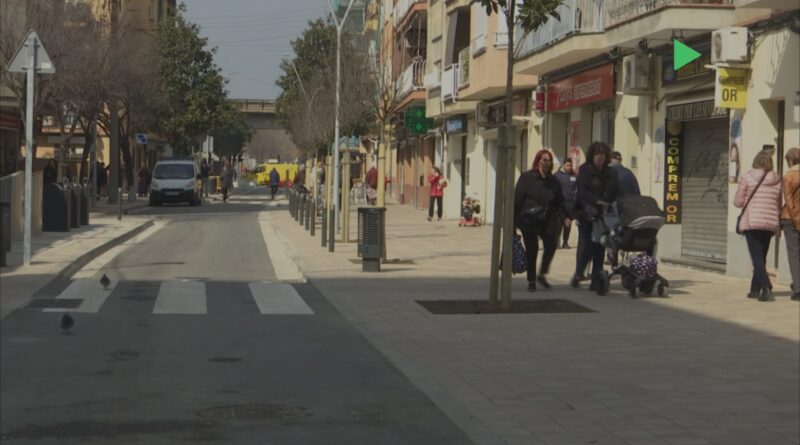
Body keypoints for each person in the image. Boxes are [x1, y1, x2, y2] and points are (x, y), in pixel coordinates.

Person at [570, 142, 620, 291]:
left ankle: (596, 280)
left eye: (602, 154)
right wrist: (596, 201)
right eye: (597, 154)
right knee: (587, 246)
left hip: (604, 214)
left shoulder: (611, 172)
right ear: (592, 155)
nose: (600, 157)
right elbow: (582, 191)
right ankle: (579, 273)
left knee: (600, 246)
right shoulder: (585, 170)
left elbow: (616, 190)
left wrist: (615, 202)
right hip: (587, 212)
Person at [734, 150, 782, 302]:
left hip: (752, 221)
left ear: (756, 161)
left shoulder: (747, 177)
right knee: (761, 256)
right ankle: (754, 290)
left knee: (756, 256)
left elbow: (738, 202)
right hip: (769, 222)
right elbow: (778, 203)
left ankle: (766, 287)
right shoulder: (777, 179)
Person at [514, 150, 565, 291]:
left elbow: (560, 200)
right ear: (538, 161)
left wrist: (563, 215)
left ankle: (542, 273)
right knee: (532, 249)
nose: (547, 163)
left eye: (549, 160)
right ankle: (531, 280)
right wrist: (513, 222)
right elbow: (517, 199)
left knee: (551, 245)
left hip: (547, 220)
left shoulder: (553, 181)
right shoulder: (527, 178)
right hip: (529, 219)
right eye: (544, 160)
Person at [780, 147, 800, 301]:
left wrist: (796, 220)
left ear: (790, 160)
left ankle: (798, 289)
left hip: (791, 219)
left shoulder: (789, 176)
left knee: (794, 254)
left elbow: (789, 201)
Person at [554, 158, 577, 249]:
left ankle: (565, 242)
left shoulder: (574, 175)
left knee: (568, 224)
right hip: (560, 203)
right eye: (567, 165)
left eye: (570, 165)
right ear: (563, 165)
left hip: (570, 204)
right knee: (559, 224)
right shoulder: (557, 176)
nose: (569, 167)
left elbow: (577, 188)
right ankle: (556, 242)